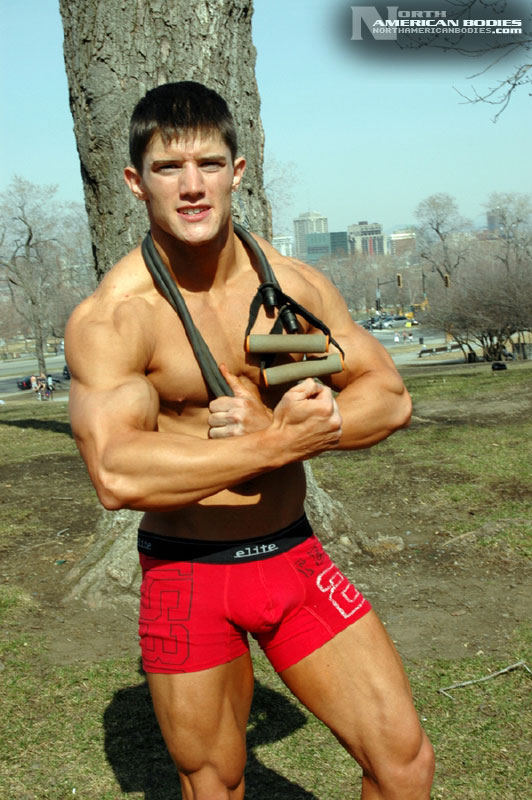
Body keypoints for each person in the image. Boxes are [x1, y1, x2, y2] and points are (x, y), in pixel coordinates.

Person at [66, 81, 434, 799]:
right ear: (136, 183)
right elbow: (117, 472)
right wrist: (273, 446)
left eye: (209, 164)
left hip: (293, 559)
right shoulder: (117, 316)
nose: (192, 186)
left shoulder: (289, 286)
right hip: (187, 576)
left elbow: (388, 397)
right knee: (215, 783)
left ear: (237, 171)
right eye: (169, 168)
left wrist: (292, 429)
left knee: (404, 764)